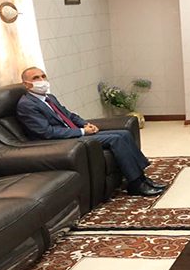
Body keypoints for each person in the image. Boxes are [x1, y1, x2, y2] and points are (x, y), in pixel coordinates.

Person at [16, 67, 163, 197]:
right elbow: (47, 132)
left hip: (72, 132)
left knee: (123, 133)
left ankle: (141, 177)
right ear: (26, 84)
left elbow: (69, 115)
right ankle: (136, 184)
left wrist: (86, 124)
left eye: (43, 76)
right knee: (115, 139)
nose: (42, 80)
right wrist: (82, 131)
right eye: (36, 78)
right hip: (59, 141)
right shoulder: (26, 104)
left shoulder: (49, 98)